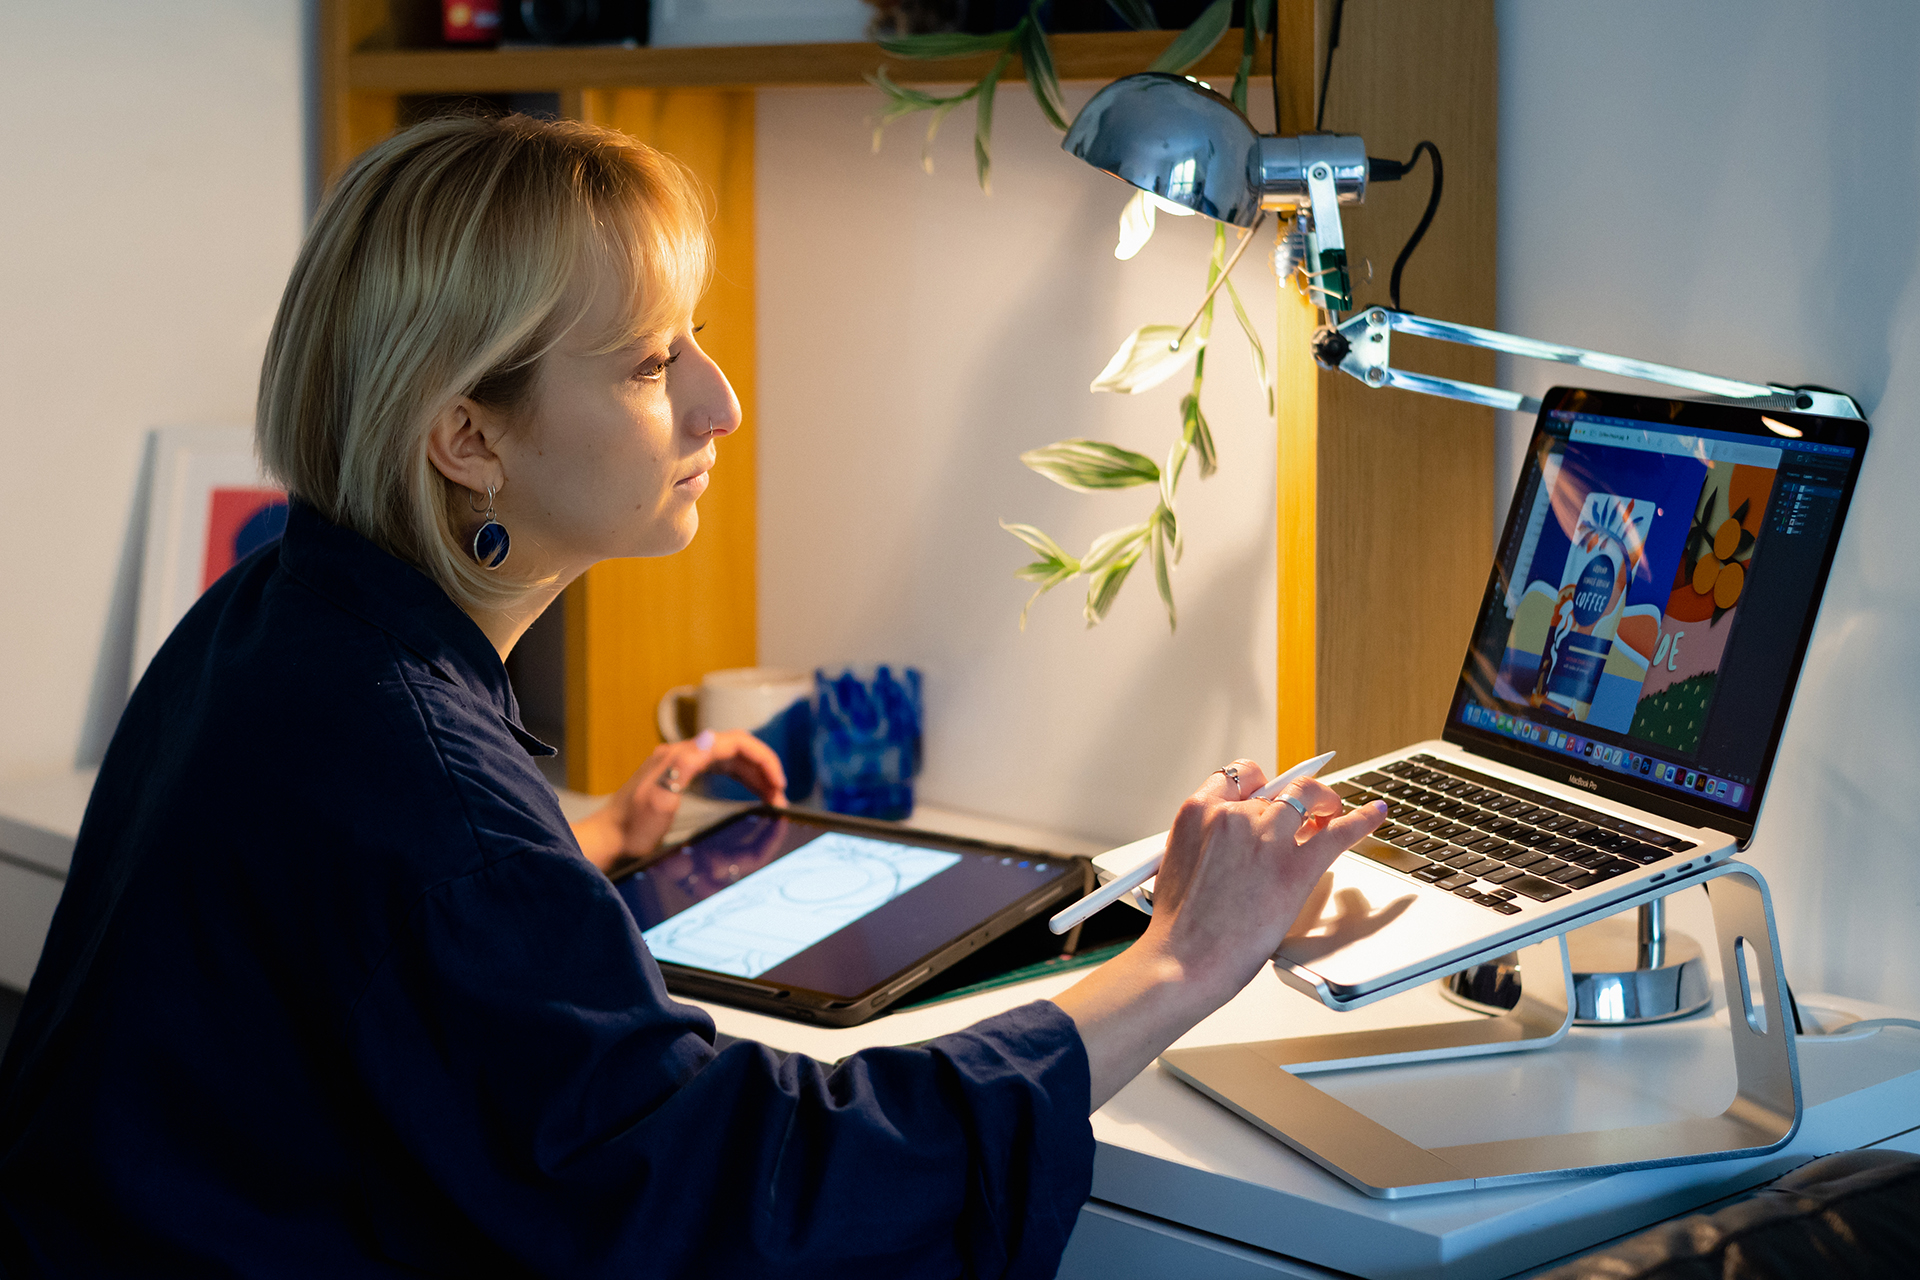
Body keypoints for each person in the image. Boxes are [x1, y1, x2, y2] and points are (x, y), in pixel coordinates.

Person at [0, 114, 1387, 1277]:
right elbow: (740, 1193)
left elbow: (352, 939)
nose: (721, 405)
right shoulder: (430, 797)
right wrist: (1182, 962)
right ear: (468, 438)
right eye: (657, 363)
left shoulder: (277, 622)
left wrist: (573, 853)